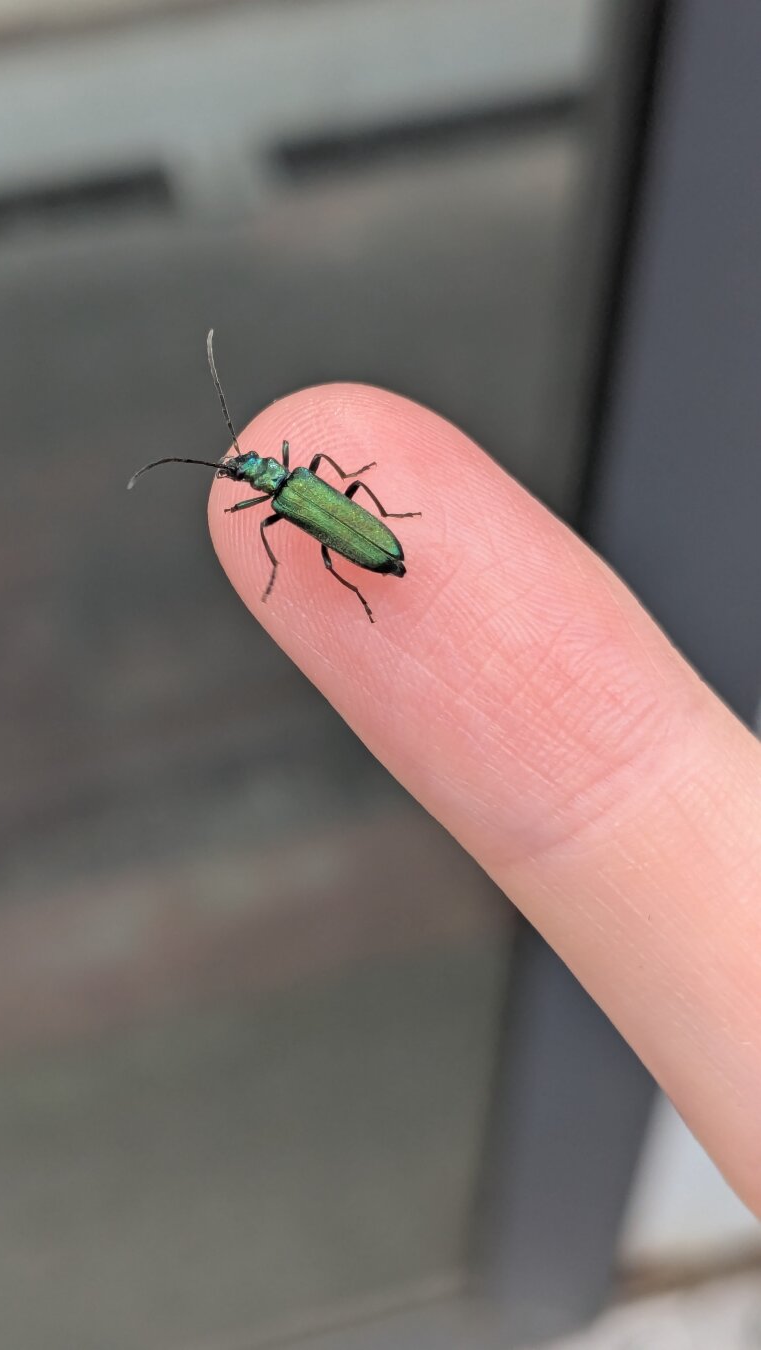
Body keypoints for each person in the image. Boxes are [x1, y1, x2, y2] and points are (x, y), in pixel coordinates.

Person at [209, 384, 761, 1218]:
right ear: (262, 476)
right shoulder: (299, 487)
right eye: (247, 472)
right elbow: (329, 488)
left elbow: (303, 511)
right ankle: (373, 561)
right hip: (371, 540)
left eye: (246, 468)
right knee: (334, 530)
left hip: (372, 546)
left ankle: (370, 567)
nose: (249, 470)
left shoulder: (281, 504)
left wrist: (357, 537)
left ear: (259, 475)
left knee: (323, 548)